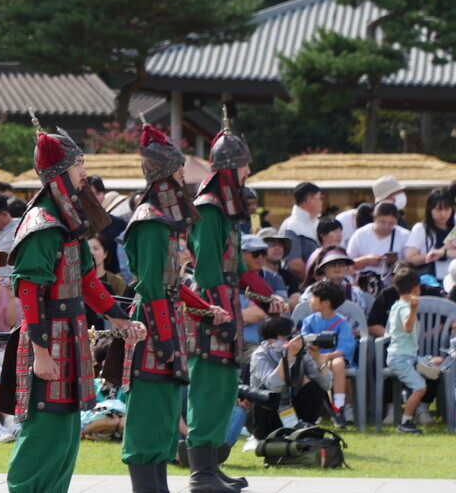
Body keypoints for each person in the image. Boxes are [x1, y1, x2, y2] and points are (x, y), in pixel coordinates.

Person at [0, 122, 142, 493]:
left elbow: (88, 283)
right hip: (48, 342)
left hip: (71, 338)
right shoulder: (43, 224)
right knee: (43, 435)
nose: (84, 173)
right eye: (78, 165)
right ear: (60, 171)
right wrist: (41, 354)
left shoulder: (67, 221)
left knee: (64, 435)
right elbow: (29, 291)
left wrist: (120, 320)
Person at [120, 123, 226, 493]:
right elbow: (152, 287)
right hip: (153, 326)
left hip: (165, 322)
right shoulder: (151, 221)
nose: (184, 174)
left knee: (165, 412)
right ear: (166, 172)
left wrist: (204, 308)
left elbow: (170, 284)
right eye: (179, 168)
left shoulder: (163, 221)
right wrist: (165, 339)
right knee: (149, 414)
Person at [185, 112, 253, 493]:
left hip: (227, 306)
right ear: (229, 169)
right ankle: (201, 474)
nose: (247, 174)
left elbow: (238, 268)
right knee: (209, 387)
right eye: (244, 167)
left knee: (225, 386)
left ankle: (212, 466)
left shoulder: (227, 212)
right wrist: (217, 316)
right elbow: (209, 270)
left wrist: (266, 295)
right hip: (211, 309)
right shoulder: (210, 208)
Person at [247, 317, 331, 439]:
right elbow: (274, 385)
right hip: (264, 416)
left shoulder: (300, 353)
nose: (292, 339)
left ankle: (304, 431)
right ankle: (262, 437)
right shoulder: (260, 356)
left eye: (293, 334)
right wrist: (287, 358)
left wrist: (317, 358)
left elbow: (326, 385)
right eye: (287, 336)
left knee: (314, 388)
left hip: (290, 409)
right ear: (271, 341)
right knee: (265, 394)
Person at [298, 279, 356, 427]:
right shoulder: (309, 321)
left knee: (338, 364)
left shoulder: (341, 323)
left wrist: (329, 355)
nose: (309, 301)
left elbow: (346, 347)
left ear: (325, 303)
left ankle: (338, 408)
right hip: (313, 359)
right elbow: (304, 341)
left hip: (333, 358)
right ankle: (314, 410)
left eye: (313, 297)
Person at [386, 269, 433, 434]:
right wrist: (413, 309)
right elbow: (407, 327)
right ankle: (405, 423)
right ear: (416, 289)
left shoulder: (396, 305)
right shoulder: (405, 307)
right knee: (420, 387)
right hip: (401, 358)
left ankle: (409, 411)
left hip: (406, 356)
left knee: (436, 364)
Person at [347, 201, 407, 295]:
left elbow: (410, 264)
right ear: (374, 218)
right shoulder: (361, 234)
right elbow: (347, 264)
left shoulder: (404, 236)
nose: (386, 227)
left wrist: (397, 261)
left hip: (393, 285)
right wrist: (365, 261)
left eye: (391, 224)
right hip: (365, 286)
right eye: (382, 223)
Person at [403, 188, 454, 280]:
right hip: (429, 281)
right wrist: (435, 254)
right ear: (430, 209)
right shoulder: (421, 229)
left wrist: (443, 253)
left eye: (447, 209)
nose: (443, 214)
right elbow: (410, 259)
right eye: (438, 210)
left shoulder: (454, 229)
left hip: (452, 280)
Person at [298, 248, 371, 311]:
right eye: (332, 264)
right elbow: (303, 313)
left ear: (346, 268)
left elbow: (358, 317)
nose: (337, 267)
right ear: (324, 268)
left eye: (341, 264)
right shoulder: (312, 291)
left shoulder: (354, 292)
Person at [277, 182, 323, 276]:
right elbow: (295, 265)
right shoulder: (292, 226)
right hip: (300, 284)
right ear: (310, 200)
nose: (322, 202)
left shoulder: (316, 223)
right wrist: (314, 281)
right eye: (320, 198)